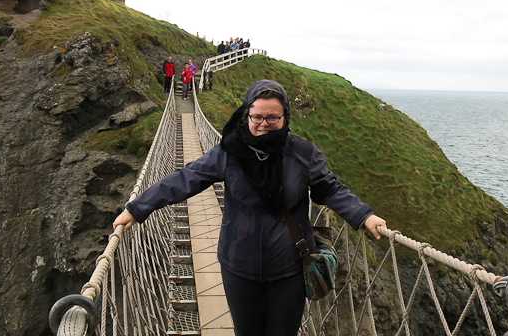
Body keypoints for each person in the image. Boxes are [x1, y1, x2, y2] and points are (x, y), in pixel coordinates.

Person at [113, 79, 386, 336]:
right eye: (257, 116)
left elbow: (331, 189)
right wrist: (138, 208)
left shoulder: (302, 153)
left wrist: (364, 216)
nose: (264, 124)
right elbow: (186, 178)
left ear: (285, 117)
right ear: (246, 115)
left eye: (273, 117)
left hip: (289, 269)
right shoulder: (229, 153)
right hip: (238, 266)